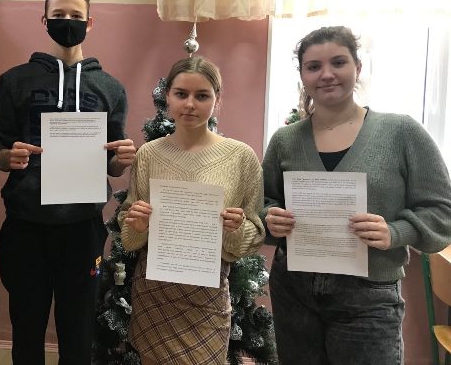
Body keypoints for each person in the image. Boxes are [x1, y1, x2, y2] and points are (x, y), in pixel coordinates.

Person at [262, 26, 451, 364]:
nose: (326, 74)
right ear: (302, 75)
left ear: (358, 67)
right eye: (314, 66)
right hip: (294, 289)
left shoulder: (401, 132)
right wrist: (269, 218)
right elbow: (263, 203)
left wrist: (395, 232)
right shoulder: (284, 140)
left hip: (369, 295)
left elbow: (442, 212)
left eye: (338, 62)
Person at [0, 0, 136, 365]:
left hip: (81, 229)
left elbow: (112, 162)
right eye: (58, 15)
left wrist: (122, 160)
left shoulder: (110, 88)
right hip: (25, 226)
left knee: (77, 336)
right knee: (26, 332)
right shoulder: (14, 81)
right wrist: (8, 156)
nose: (67, 21)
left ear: (90, 22)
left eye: (75, 15)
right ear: (44, 20)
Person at [119, 56, 266, 365]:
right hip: (155, 295)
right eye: (181, 94)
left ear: (217, 99)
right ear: (167, 96)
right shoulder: (149, 155)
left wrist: (236, 227)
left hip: (206, 296)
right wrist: (139, 224)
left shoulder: (241, 157)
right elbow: (130, 235)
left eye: (201, 96)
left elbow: (254, 232)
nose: (189, 104)